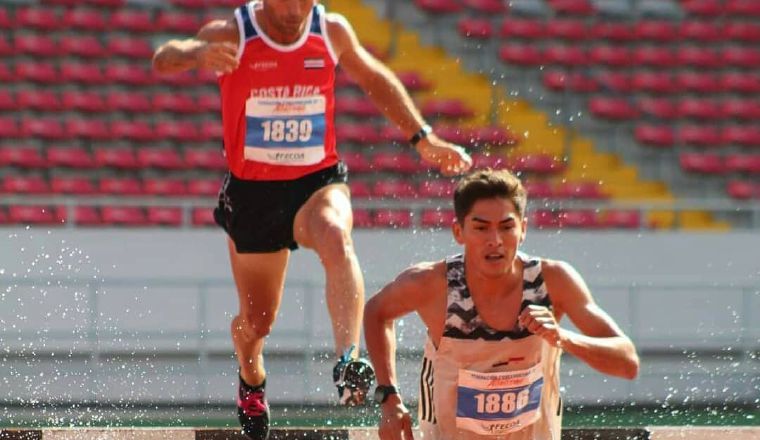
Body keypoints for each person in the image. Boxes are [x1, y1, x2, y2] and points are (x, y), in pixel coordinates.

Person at [152, 1, 472, 438]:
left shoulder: (330, 29)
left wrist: (423, 137)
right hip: (255, 194)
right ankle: (250, 373)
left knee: (337, 236)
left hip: (316, 181)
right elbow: (163, 57)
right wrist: (193, 56)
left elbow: (373, 77)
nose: (296, 9)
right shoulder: (233, 32)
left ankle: (348, 360)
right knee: (257, 321)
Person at [364, 169, 640, 440]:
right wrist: (389, 399)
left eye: (506, 227)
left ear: (523, 230)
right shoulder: (431, 283)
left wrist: (562, 337)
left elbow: (627, 363)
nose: (495, 241)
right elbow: (376, 312)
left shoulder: (553, 281)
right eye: (481, 228)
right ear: (459, 232)